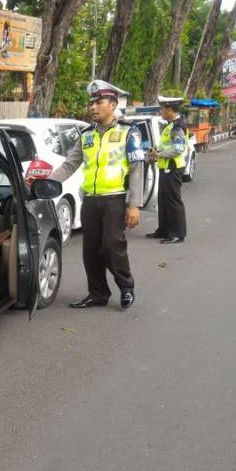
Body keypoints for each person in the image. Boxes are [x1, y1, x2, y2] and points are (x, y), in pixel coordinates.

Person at [49, 79, 144, 310]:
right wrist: (46, 182)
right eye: (91, 103)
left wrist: (134, 205)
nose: (93, 107)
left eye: (98, 102)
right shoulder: (87, 135)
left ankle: (126, 286)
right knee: (90, 251)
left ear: (112, 104)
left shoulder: (129, 132)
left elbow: (137, 169)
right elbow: (69, 165)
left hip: (115, 199)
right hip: (90, 201)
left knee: (112, 246)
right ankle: (98, 293)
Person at [147, 96, 188, 244]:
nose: (161, 111)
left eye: (163, 108)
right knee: (163, 200)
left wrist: (158, 154)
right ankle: (163, 230)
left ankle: (177, 233)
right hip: (165, 166)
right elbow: (166, 145)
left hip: (173, 166)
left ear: (170, 109)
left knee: (173, 201)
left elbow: (178, 149)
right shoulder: (170, 125)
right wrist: (155, 151)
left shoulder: (177, 126)